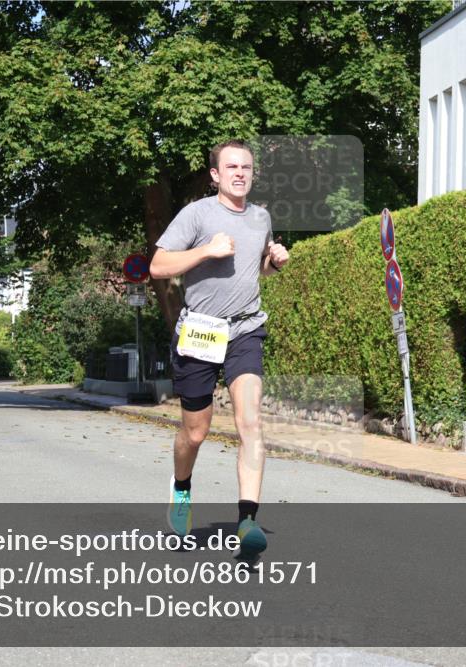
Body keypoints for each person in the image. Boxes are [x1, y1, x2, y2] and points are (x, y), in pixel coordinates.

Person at [150, 139, 289, 556]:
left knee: (251, 423)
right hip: (201, 332)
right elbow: (158, 265)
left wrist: (273, 261)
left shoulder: (260, 217)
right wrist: (205, 250)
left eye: (246, 167)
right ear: (215, 175)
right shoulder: (197, 214)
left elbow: (254, 269)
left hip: (245, 331)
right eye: (231, 167)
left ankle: (248, 521)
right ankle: (181, 488)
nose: (240, 173)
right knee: (195, 432)